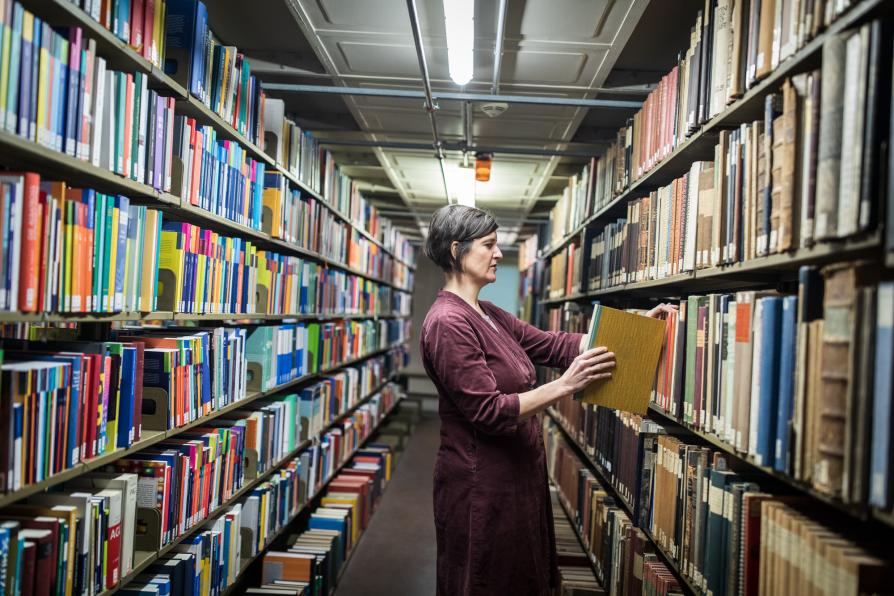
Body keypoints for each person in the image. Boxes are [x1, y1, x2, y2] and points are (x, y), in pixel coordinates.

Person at [420, 205, 674, 595]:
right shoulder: (447, 323)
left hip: (517, 478)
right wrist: (565, 386)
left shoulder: (488, 314)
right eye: (489, 245)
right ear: (457, 250)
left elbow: (555, 345)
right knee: (487, 581)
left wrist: (636, 328)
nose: (499, 254)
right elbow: (488, 412)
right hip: (481, 486)